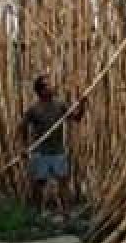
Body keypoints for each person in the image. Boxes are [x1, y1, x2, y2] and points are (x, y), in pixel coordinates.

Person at [20, 74, 84, 214]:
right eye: (48, 85)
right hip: (40, 152)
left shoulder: (60, 105)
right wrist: (24, 148)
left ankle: (67, 214)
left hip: (58, 152)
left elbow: (76, 118)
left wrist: (82, 104)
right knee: (39, 184)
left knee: (63, 183)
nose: (52, 86)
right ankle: (37, 214)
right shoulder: (34, 109)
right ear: (41, 91)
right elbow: (23, 127)